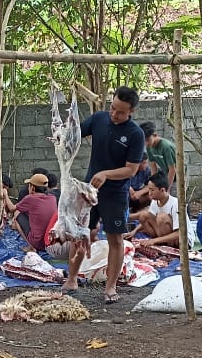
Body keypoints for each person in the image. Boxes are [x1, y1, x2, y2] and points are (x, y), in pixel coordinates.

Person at [60, 86, 147, 304]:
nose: (114, 114)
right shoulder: (99, 119)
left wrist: (107, 174)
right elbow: (76, 133)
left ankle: (110, 287)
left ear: (131, 112)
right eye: (112, 107)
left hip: (116, 194)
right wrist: (61, 136)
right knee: (81, 234)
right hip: (90, 191)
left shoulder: (135, 134)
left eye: (120, 112)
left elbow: (131, 169)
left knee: (115, 239)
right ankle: (71, 279)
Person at [11, 173, 59, 252]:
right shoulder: (52, 198)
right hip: (50, 241)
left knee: (17, 213)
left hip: (38, 243)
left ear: (32, 188)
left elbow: (12, 208)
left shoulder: (31, 198)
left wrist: (5, 195)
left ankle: (31, 247)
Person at [132, 172, 180, 247]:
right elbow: (148, 218)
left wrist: (154, 240)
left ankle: (167, 245)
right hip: (162, 236)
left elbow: (179, 233)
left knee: (161, 218)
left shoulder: (175, 204)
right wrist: (134, 231)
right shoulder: (155, 201)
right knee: (143, 215)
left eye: (152, 190)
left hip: (178, 241)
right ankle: (161, 243)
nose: (149, 193)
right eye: (149, 190)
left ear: (162, 190)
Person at [141, 121, 178, 187]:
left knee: (171, 194)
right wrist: (153, 184)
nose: (146, 143)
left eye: (148, 140)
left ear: (155, 135)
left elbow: (172, 169)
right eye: (144, 141)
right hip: (166, 173)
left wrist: (168, 188)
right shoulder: (149, 147)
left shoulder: (166, 147)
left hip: (178, 174)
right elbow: (153, 167)